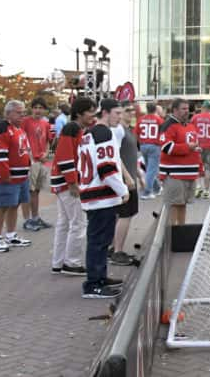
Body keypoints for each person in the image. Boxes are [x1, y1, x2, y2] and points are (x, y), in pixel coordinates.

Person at [79, 99, 129, 299]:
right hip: (100, 193)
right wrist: (122, 189)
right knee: (99, 239)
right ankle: (93, 283)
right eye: (117, 113)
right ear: (106, 112)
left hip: (92, 190)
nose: (120, 117)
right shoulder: (103, 133)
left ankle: (99, 276)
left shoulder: (89, 133)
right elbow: (106, 167)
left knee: (99, 238)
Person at [51, 97, 96, 276]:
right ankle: (71, 262)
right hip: (67, 181)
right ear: (79, 113)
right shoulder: (73, 129)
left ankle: (59, 261)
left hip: (61, 180)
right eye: (90, 111)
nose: (92, 115)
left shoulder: (75, 129)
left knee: (64, 223)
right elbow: (65, 156)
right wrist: (72, 182)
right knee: (77, 222)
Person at [0, 100, 33, 253]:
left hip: (20, 176)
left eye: (23, 112)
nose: (22, 115)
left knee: (15, 204)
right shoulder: (1, 128)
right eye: (19, 112)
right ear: (8, 113)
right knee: (1, 206)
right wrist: (5, 175)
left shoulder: (18, 129)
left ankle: (11, 235)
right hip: (7, 177)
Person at [159, 99, 200, 226]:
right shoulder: (168, 125)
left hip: (189, 173)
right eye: (183, 109)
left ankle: (181, 231)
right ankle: (171, 234)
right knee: (174, 205)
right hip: (174, 174)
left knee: (183, 204)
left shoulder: (190, 125)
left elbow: (192, 146)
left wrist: (196, 153)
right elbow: (166, 147)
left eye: (187, 108)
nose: (187, 111)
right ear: (175, 110)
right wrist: (188, 147)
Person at [110, 103, 141, 266]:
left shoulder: (128, 130)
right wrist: (128, 178)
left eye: (132, 110)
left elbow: (130, 156)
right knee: (125, 215)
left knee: (123, 215)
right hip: (123, 181)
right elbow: (116, 156)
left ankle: (114, 247)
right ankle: (117, 251)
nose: (131, 113)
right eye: (126, 111)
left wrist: (139, 175)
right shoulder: (119, 130)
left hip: (128, 178)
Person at [21, 97, 53, 231]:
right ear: (31, 108)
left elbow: (47, 141)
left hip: (41, 160)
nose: (38, 110)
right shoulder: (25, 122)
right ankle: (27, 219)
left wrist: (46, 153)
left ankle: (35, 217)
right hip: (31, 161)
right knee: (29, 190)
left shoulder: (45, 123)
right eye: (36, 107)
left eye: (41, 108)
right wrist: (29, 157)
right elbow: (21, 139)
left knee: (36, 190)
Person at [191, 101, 210, 199]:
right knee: (208, 168)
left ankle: (198, 187)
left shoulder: (195, 118)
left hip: (197, 145)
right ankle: (206, 191)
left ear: (203, 107)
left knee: (197, 167)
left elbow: (190, 130)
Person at [136, 101, 164, 199]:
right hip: (155, 145)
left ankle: (157, 188)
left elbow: (137, 133)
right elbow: (163, 133)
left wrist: (140, 143)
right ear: (155, 109)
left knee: (149, 169)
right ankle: (147, 192)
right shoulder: (159, 120)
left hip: (143, 145)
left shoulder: (141, 119)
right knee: (151, 170)